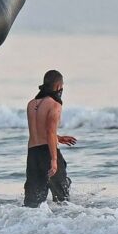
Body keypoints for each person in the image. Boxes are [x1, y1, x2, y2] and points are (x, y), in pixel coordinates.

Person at [24, 70, 77, 207]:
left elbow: (39, 131)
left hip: (33, 155)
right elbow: (49, 132)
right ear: (59, 86)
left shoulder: (31, 104)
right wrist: (54, 160)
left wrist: (58, 138)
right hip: (48, 153)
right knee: (62, 200)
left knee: (32, 203)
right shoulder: (55, 105)